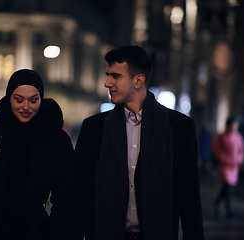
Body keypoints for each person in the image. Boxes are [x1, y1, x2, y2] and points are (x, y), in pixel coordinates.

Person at [75, 45, 205, 240]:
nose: (107, 83)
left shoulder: (178, 127)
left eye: (115, 76)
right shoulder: (94, 128)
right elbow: (80, 194)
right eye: (108, 75)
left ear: (138, 80)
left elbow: (189, 198)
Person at [0, 69, 77, 240]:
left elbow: (66, 199)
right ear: (9, 98)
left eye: (33, 100)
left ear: (42, 98)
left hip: (35, 233)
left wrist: (52, 232)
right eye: (18, 100)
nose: (25, 107)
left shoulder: (55, 139)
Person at [212, 116, 244, 218]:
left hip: (234, 166)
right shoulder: (221, 136)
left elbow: (241, 149)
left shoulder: (238, 137)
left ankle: (217, 202)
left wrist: (239, 159)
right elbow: (216, 149)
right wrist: (223, 158)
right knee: (227, 186)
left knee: (227, 186)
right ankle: (228, 208)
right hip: (225, 166)